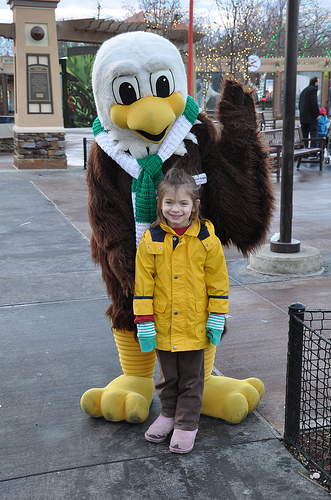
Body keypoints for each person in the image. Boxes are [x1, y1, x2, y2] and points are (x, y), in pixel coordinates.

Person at [133, 168, 229, 454]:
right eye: (169, 203)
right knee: (167, 377)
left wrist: (217, 315)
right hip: (162, 324)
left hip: (195, 323)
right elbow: (142, 283)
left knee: (191, 377)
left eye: (183, 203)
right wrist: (144, 320)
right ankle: (167, 415)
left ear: (194, 206)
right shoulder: (151, 239)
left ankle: (186, 424)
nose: (176, 209)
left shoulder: (206, 239)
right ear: (160, 204)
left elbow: (218, 281)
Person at [299, 76, 321, 148]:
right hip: (311, 118)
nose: (319, 84)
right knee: (313, 134)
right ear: (315, 83)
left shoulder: (304, 90)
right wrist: (317, 114)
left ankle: (304, 152)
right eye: (318, 82)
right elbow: (314, 103)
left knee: (304, 135)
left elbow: (300, 104)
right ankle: (313, 152)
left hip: (303, 118)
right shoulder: (313, 90)